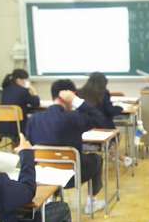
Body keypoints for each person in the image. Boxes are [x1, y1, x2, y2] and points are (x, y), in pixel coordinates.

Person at [26, 79, 106, 214]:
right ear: (69, 96)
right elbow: (100, 119)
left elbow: (29, 145)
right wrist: (77, 101)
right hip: (71, 176)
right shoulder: (74, 118)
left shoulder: (34, 119)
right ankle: (91, 202)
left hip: (42, 175)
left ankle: (49, 198)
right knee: (97, 159)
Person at [0, 69, 40, 142]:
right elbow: (36, 103)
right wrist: (34, 91)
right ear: (18, 80)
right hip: (17, 127)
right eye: (25, 80)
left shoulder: (5, 89)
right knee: (36, 119)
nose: (26, 82)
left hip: (2, 127)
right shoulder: (23, 91)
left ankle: (16, 144)